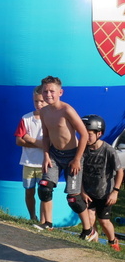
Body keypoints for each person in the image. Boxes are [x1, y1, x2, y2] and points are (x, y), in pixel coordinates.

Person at [37, 75, 89, 230]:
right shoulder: (44, 111)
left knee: (73, 199)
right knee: (45, 187)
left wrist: (77, 159)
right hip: (54, 154)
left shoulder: (67, 110)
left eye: (52, 91)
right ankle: (48, 223)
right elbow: (46, 136)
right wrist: (46, 155)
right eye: (45, 91)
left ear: (60, 92)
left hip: (73, 155)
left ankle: (88, 230)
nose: (48, 95)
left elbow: (84, 134)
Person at [79, 115, 122, 251]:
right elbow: (77, 172)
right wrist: (82, 191)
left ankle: (113, 241)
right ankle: (93, 246)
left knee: (104, 221)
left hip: (105, 193)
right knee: (90, 219)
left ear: (99, 134)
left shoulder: (108, 150)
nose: (86, 137)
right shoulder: (82, 149)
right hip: (88, 192)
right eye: (83, 133)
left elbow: (120, 171)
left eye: (89, 134)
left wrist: (115, 192)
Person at [15, 85, 53, 229]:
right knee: (29, 191)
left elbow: (52, 143)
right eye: (36, 101)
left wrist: (31, 140)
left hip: (45, 163)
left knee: (45, 193)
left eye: (42, 101)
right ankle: (32, 217)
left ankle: (45, 221)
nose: (39, 104)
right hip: (29, 163)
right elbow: (19, 140)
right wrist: (41, 144)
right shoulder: (26, 119)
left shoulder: (51, 118)